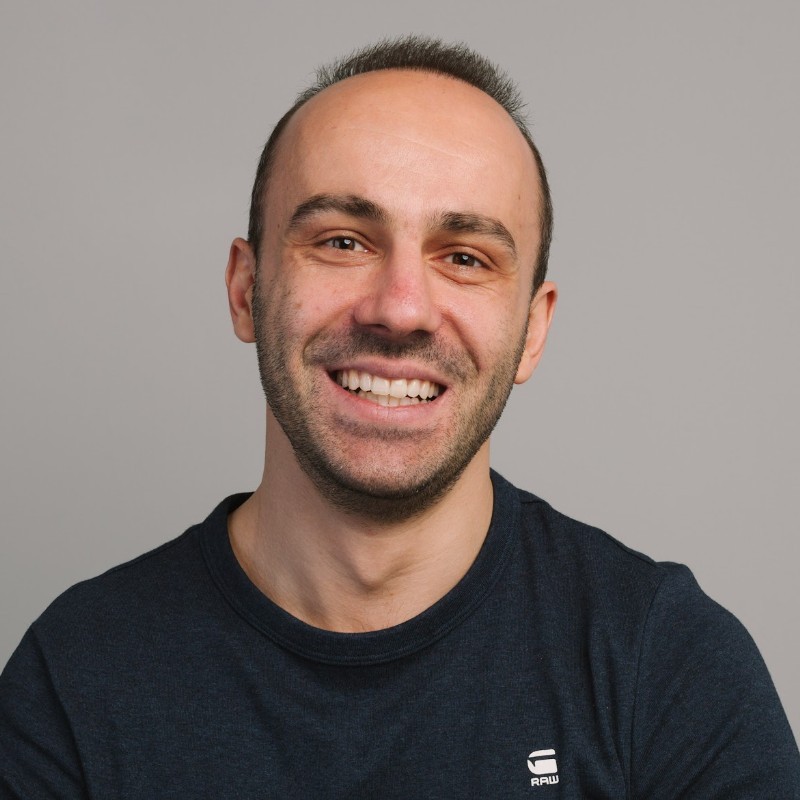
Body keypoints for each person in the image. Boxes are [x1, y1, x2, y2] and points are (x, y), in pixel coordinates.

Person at [1, 36, 798, 799]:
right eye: (344, 240)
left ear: (533, 330)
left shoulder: (664, 667)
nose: (402, 309)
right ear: (246, 289)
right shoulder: (75, 678)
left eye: (465, 257)